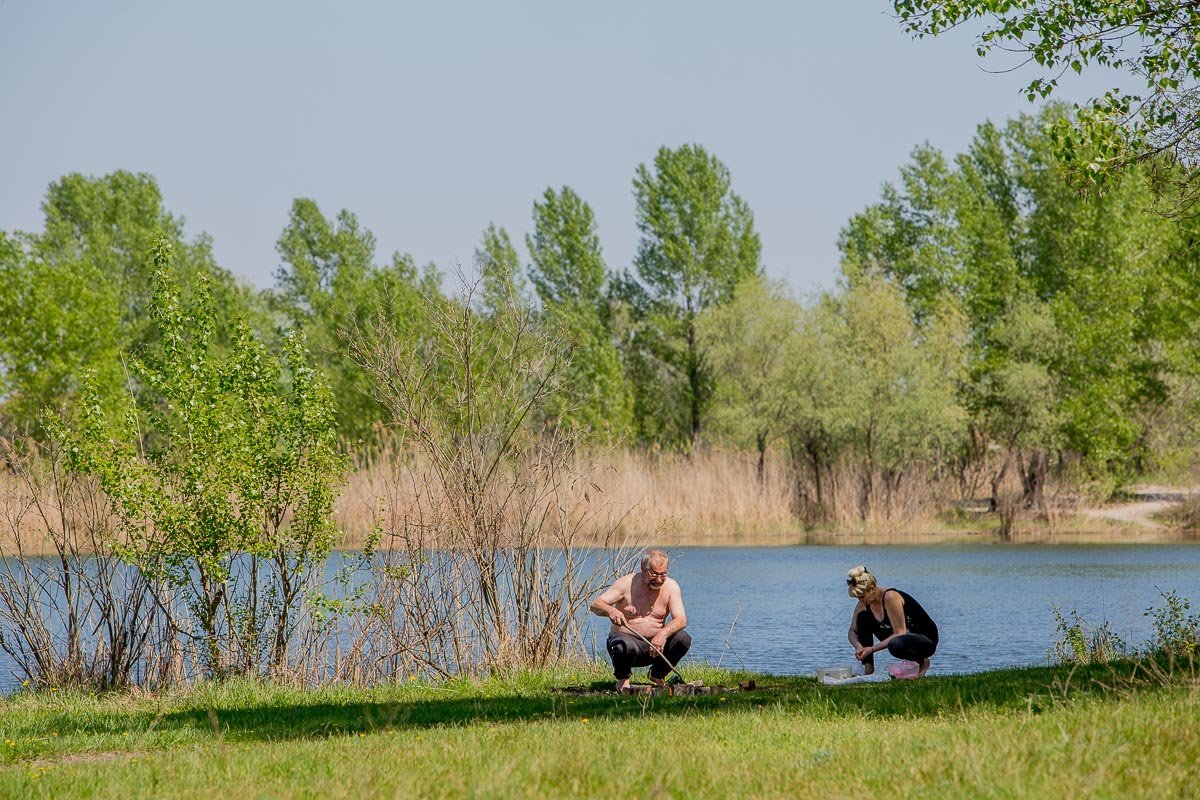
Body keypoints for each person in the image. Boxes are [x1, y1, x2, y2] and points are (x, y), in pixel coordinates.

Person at [590, 549, 691, 693]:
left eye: (663, 574)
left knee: (683, 639)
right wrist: (611, 611)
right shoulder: (625, 584)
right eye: (654, 574)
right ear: (643, 569)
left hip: (656, 648)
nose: (659, 579)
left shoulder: (671, 586)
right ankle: (622, 680)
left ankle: (657, 674)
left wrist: (662, 635)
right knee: (623, 645)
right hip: (628, 646)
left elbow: (681, 620)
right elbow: (595, 605)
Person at [846, 565, 938, 679]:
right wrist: (859, 647)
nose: (861, 600)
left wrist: (871, 649)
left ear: (873, 588)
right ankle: (868, 668)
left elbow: (900, 632)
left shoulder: (890, 597)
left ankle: (922, 661)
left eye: (862, 596)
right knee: (862, 618)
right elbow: (852, 631)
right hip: (902, 637)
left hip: (925, 638)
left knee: (894, 645)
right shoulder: (863, 603)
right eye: (858, 598)